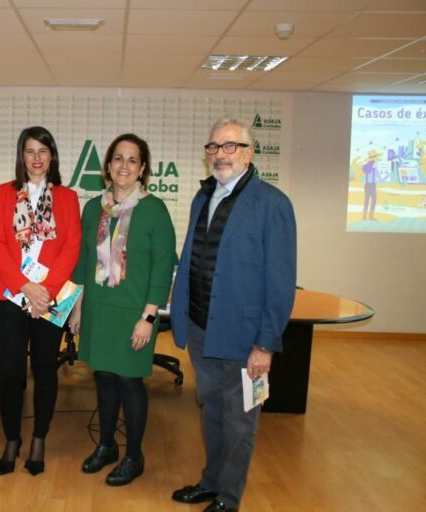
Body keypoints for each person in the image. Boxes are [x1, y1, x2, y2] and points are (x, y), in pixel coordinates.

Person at [170, 119, 297, 512]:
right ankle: (211, 481)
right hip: (201, 329)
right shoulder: (202, 197)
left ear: (249, 152)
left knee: (241, 419)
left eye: (230, 146)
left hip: (244, 337)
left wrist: (266, 343)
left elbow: (280, 281)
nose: (220, 154)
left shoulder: (272, 204)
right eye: (213, 147)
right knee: (210, 409)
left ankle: (229, 497)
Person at [69, 133, 175, 486]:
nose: (124, 166)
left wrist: (148, 317)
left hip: (134, 312)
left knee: (130, 381)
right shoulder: (92, 208)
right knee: (103, 377)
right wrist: (78, 309)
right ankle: (106, 445)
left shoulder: (154, 210)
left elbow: (162, 268)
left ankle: (134, 455)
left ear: (143, 168)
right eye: (118, 158)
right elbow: (85, 263)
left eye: (132, 160)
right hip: (99, 308)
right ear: (108, 166)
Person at [0, 126, 81, 476]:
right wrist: (25, 285)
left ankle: (39, 437)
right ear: (21, 156)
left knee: (45, 371)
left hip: (51, 299)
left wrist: (47, 289)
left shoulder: (68, 198)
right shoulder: (3, 194)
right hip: (10, 295)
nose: (37, 157)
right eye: (30, 151)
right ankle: (12, 438)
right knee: (10, 372)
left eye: (43, 150)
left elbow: (71, 246)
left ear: (52, 156)